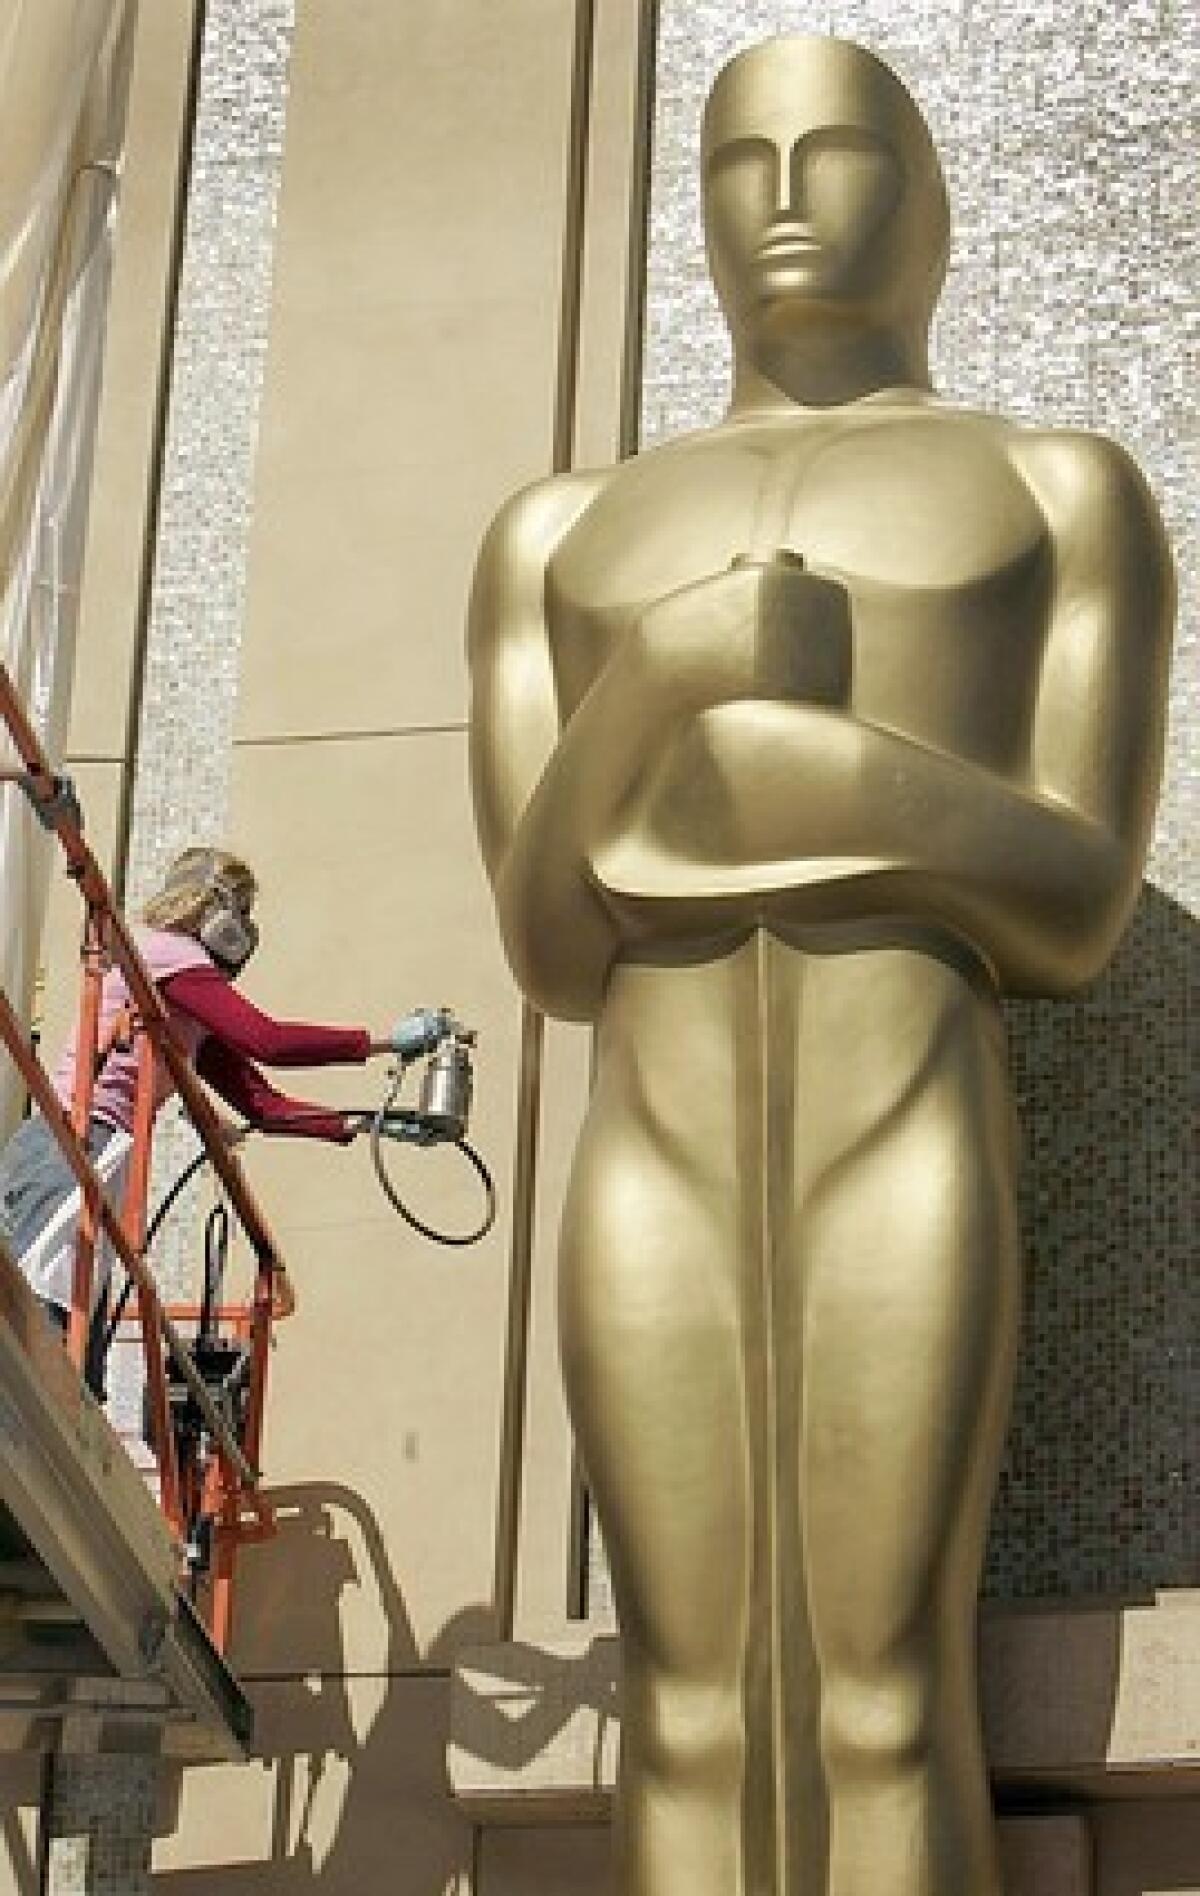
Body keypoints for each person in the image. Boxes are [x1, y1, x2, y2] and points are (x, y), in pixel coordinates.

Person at [468, 35, 1173, 1896]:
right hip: (659, 1149)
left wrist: (811, 772)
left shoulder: (1053, 489)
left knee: (880, 1694)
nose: (780, 196)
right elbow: (547, 936)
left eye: (840, 151)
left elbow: (1080, 899)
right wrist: (669, 676)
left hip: (902, 1119)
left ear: (931, 205)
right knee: (685, 1698)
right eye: (737, 159)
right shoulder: (559, 535)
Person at [0, 845, 449, 1392]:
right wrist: (379, 1043)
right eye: (243, 911)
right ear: (214, 912)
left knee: (70, 1320)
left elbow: (260, 1102)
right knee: (43, 1310)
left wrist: (364, 1123)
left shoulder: (181, 995)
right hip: (74, 1143)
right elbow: (268, 1041)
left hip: (88, 1148)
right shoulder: (168, 956)